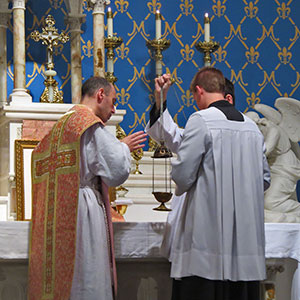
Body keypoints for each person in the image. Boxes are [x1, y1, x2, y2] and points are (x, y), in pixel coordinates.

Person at [146, 67, 271, 300]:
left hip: (206, 240)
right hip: (246, 242)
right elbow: (264, 179)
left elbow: (183, 174)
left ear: (199, 91)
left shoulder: (201, 120)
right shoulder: (252, 128)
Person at [28, 76, 147, 300]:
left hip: (57, 213)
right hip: (83, 213)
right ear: (100, 95)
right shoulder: (88, 126)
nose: (114, 109)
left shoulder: (60, 126)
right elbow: (116, 171)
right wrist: (123, 148)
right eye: (112, 101)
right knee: (87, 273)